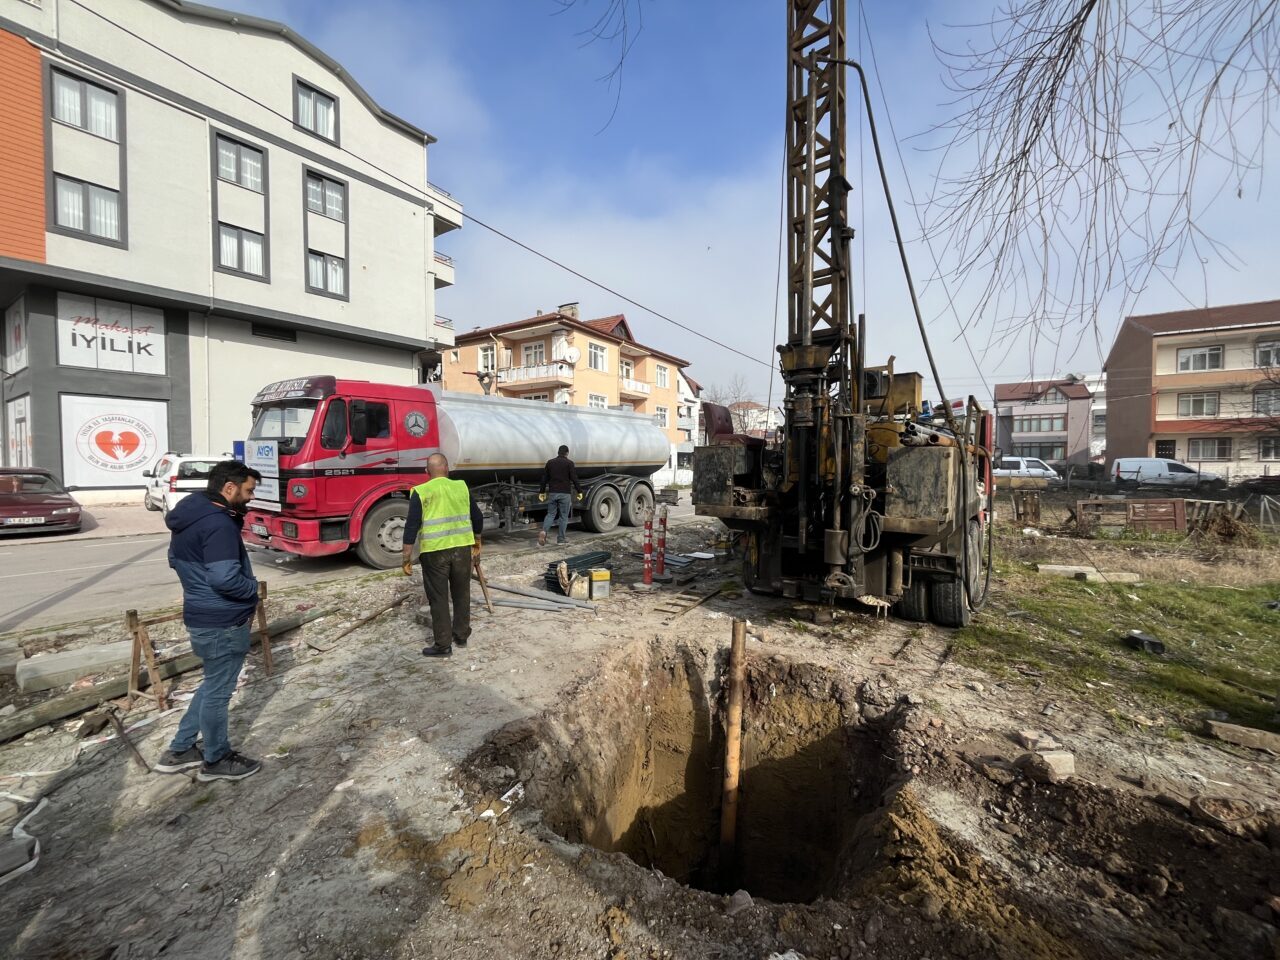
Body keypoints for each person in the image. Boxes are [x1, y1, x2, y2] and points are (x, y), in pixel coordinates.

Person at [154, 461, 264, 782]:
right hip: (223, 620)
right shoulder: (218, 524)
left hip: (202, 614)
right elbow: (224, 577)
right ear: (229, 488)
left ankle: (180, 750)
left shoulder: (192, 514)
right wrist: (252, 590)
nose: (251, 497)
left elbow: (174, 560)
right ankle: (216, 759)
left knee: (212, 684)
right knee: (218, 693)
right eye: (248, 490)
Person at [401, 453, 483, 658]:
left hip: (434, 552)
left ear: (426, 472)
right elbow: (477, 517)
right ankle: (461, 635)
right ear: (447, 468)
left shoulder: (421, 491)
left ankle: (443, 645)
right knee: (462, 593)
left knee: (438, 598)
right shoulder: (461, 487)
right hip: (461, 549)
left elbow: (411, 526)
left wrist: (406, 557)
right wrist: (477, 541)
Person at [538, 444, 584, 546]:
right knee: (563, 516)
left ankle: (544, 532)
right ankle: (561, 539)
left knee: (550, 514)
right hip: (565, 494)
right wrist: (579, 491)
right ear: (567, 453)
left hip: (553, 493)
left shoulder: (550, 462)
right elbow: (574, 478)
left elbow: (544, 478)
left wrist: (541, 492)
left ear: (558, 452)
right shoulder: (569, 463)